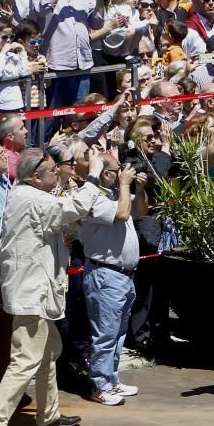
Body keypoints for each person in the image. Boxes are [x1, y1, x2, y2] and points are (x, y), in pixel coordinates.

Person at [0, 148, 104, 426]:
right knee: (25, 358)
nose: (57, 174)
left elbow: (61, 216)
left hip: (36, 291)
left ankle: (48, 414)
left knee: (47, 353)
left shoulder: (27, 195)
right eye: (52, 171)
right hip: (31, 294)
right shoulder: (33, 198)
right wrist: (93, 176)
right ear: (36, 177)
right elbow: (69, 209)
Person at [81, 160, 148, 405]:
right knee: (105, 334)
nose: (121, 172)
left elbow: (140, 212)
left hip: (124, 275)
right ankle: (99, 385)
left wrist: (138, 189)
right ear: (102, 172)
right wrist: (124, 184)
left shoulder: (116, 193)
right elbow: (121, 214)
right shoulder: (91, 197)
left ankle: (111, 379)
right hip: (105, 274)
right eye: (114, 168)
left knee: (118, 333)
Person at [29, 0, 96, 108]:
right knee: (51, 120)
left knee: (80, 118)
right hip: (56, 66)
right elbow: (42, 8)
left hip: (82, 65)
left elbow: (97, 21)